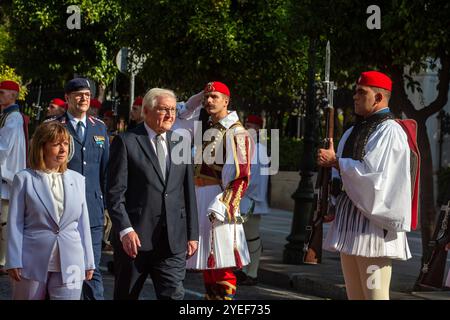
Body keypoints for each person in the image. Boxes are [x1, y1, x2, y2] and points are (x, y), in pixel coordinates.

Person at [319, 71, 412, 300]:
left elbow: (376, 178)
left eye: (362, 92)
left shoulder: (390, 131)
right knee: (355, 296)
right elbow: (338, 176)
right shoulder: (352, 131)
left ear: (379, 97)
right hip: (350, 225)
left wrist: (336, 162)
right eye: (355, 91)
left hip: (374, 229)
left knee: (375, 296)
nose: (355, 97)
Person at [106, 88, 199, 300]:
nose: (170, 115)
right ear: (146, 111)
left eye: (173, 110)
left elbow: (188, 192)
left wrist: (192, 233)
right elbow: (114, 194)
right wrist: (125, 230)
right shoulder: (126, 141)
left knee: (174, 295)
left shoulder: (181, 142)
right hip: (135, 241)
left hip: (172, 242)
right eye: (164, 109)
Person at [179, 81, 252, 300]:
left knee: (222, 263)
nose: (209, 101)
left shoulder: (237, 132)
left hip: (218, 200)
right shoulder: (207, 127)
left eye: (215, 97)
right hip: (200, 197)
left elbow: (240, 177)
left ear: (226, 101)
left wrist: (225, 205)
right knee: (209, 263)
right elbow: (181, 115)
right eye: (206, 97)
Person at [5, 121, 95, 300]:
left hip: (72, 262)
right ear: (42, 146)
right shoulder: (24, 179)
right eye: (56, 144)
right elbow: (15, 222)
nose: (63, 149)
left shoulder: (78, 179)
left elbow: (83, 224)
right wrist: (13, 259)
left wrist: (89, 261)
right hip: (31, 261)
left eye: (66, 143)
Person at [52, 78, 109, 300]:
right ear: (67, 98)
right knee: (62, 269)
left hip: (92, 209)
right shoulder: (55, 127)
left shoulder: (99, 127)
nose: (84, 98)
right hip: (61, 209)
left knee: (91, 268)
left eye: (87, 94)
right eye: (78, 94)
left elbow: (106, 170)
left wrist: (105, 206)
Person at [234, 115, 269, 286]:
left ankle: (253, 273)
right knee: (241, 237)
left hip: (251, 199)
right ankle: (242, 269)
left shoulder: (258, 149)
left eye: (250, 125)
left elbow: (253, 176)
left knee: (252, 237)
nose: (247, 128)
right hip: (244, 198)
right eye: (246, 124)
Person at [0, 80, 28, 275]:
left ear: (13, 95)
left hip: (6, 178)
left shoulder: (13, 117)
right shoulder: (7, 115)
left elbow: (4, 147)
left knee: (4, 223)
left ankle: (4, 262)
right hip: (5, 176)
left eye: (2, 93)